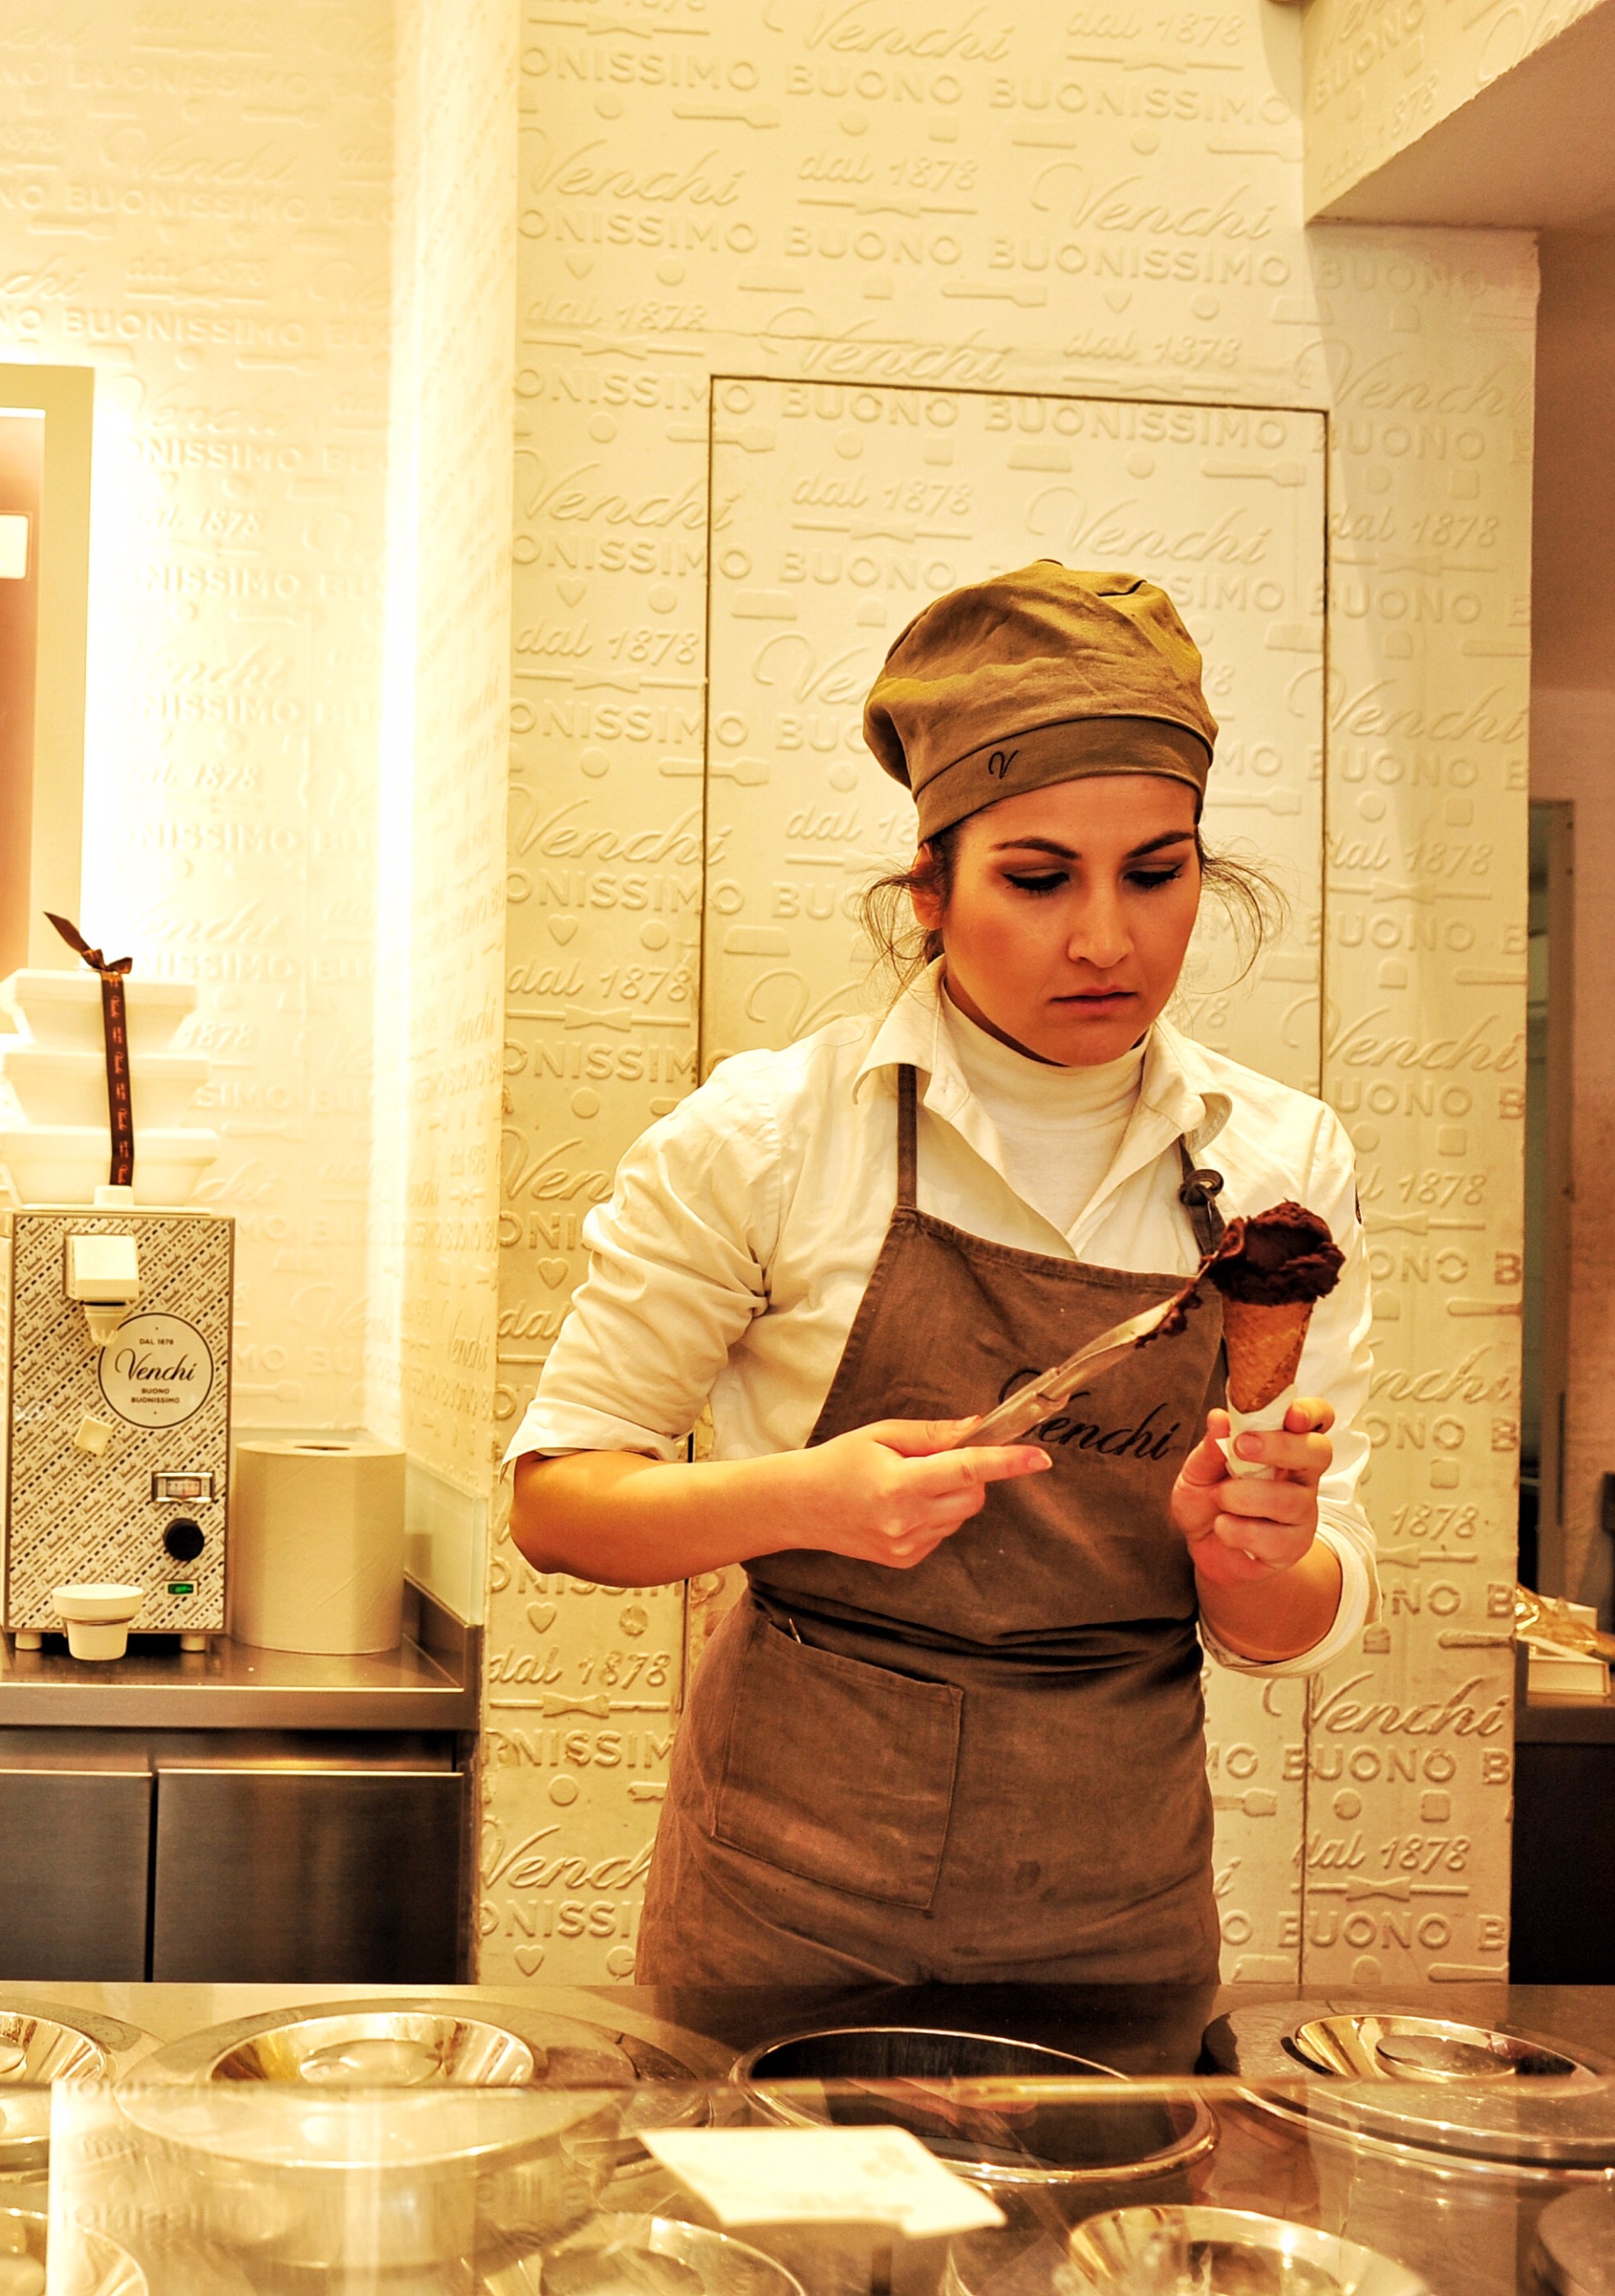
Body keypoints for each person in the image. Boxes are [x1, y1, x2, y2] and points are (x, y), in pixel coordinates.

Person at [508, 562, 1374, 1987]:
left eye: (1157, 873)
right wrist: (806, 1499)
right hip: (785, 1897)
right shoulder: (769, 1137)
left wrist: (1252, 1556)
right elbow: (558, 1503)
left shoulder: (1280, 1163)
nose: (1105, 937)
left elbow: (1299, 1609)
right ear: (928, 884)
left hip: (1117, 1912)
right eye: (1037, 879)